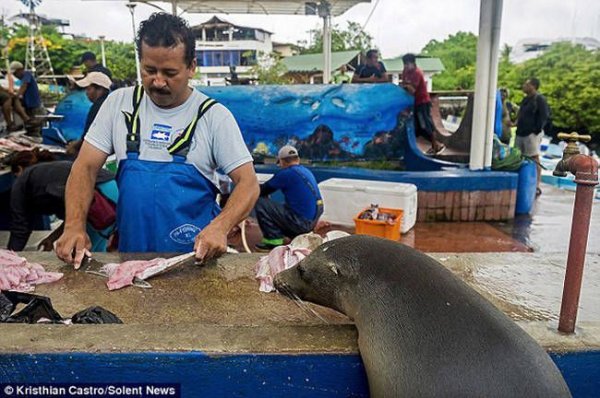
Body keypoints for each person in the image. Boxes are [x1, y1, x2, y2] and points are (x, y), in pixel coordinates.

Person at [55, 12, 259, 267]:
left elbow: (248, 183)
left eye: (170, 72)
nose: (158, 82)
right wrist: (74, 225)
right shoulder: (119, 104)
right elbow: (84, 167)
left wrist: (220, 226)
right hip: (131, 260)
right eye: (149, 70)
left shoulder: (213, 116)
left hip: (194, 261)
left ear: (191, 67)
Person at [7, 149, 117, 252]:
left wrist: (9, 259)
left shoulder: (21, 181)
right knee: (97, 251)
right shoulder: (47, 173)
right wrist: (52, 238)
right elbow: (72, 219)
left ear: (20, 169)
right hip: (113, 188)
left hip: (97, 197)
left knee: (84, 254)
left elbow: (20, 228)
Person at [254, 145, 323, 252]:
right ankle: (294, 235)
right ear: (298, 159)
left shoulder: (286, 174)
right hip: (311, 223)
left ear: (281, 161)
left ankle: (273, 241)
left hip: (301, 223)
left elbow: (262, 191)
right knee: (284, 206)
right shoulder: (306, 171)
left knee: (261, 202)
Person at [401, 53, 445, 155]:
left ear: (413, 63)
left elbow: (412, 90)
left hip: (422, 102)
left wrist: (406, 86)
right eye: (404, 65)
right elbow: (404, 85)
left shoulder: (417, 73)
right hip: (413, 103)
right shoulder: (405, 72)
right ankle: (433, 145)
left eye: (408, 64)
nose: (406, 67)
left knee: (426, 124)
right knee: (417, 127)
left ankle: (436, 145)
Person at [515, 77, 549, 197]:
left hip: (531, 134)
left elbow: (544, 115)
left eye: (526, 84)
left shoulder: (539, 99)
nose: (524, 86)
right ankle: (522, 182)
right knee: (518, 157)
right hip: (520, 132)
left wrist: (536, 130)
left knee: (534, 157)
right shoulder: (525, 99)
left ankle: (536, 185)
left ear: (533, 86)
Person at [65, 72, 112, 157]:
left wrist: (74, 147)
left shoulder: (98, 107)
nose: (86, 93)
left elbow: (88, 137)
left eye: (88, 89)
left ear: (99, 89)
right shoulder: (110, 101)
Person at [9, 61, 45, 136]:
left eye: (15, 73)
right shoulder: (22, 79)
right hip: (28, 106)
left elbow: (24, 86)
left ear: (20, 70)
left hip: (35, 105)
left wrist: (18, 95)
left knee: (36, 126)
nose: (15, 76)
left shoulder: (27, 74)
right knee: (30, 127)